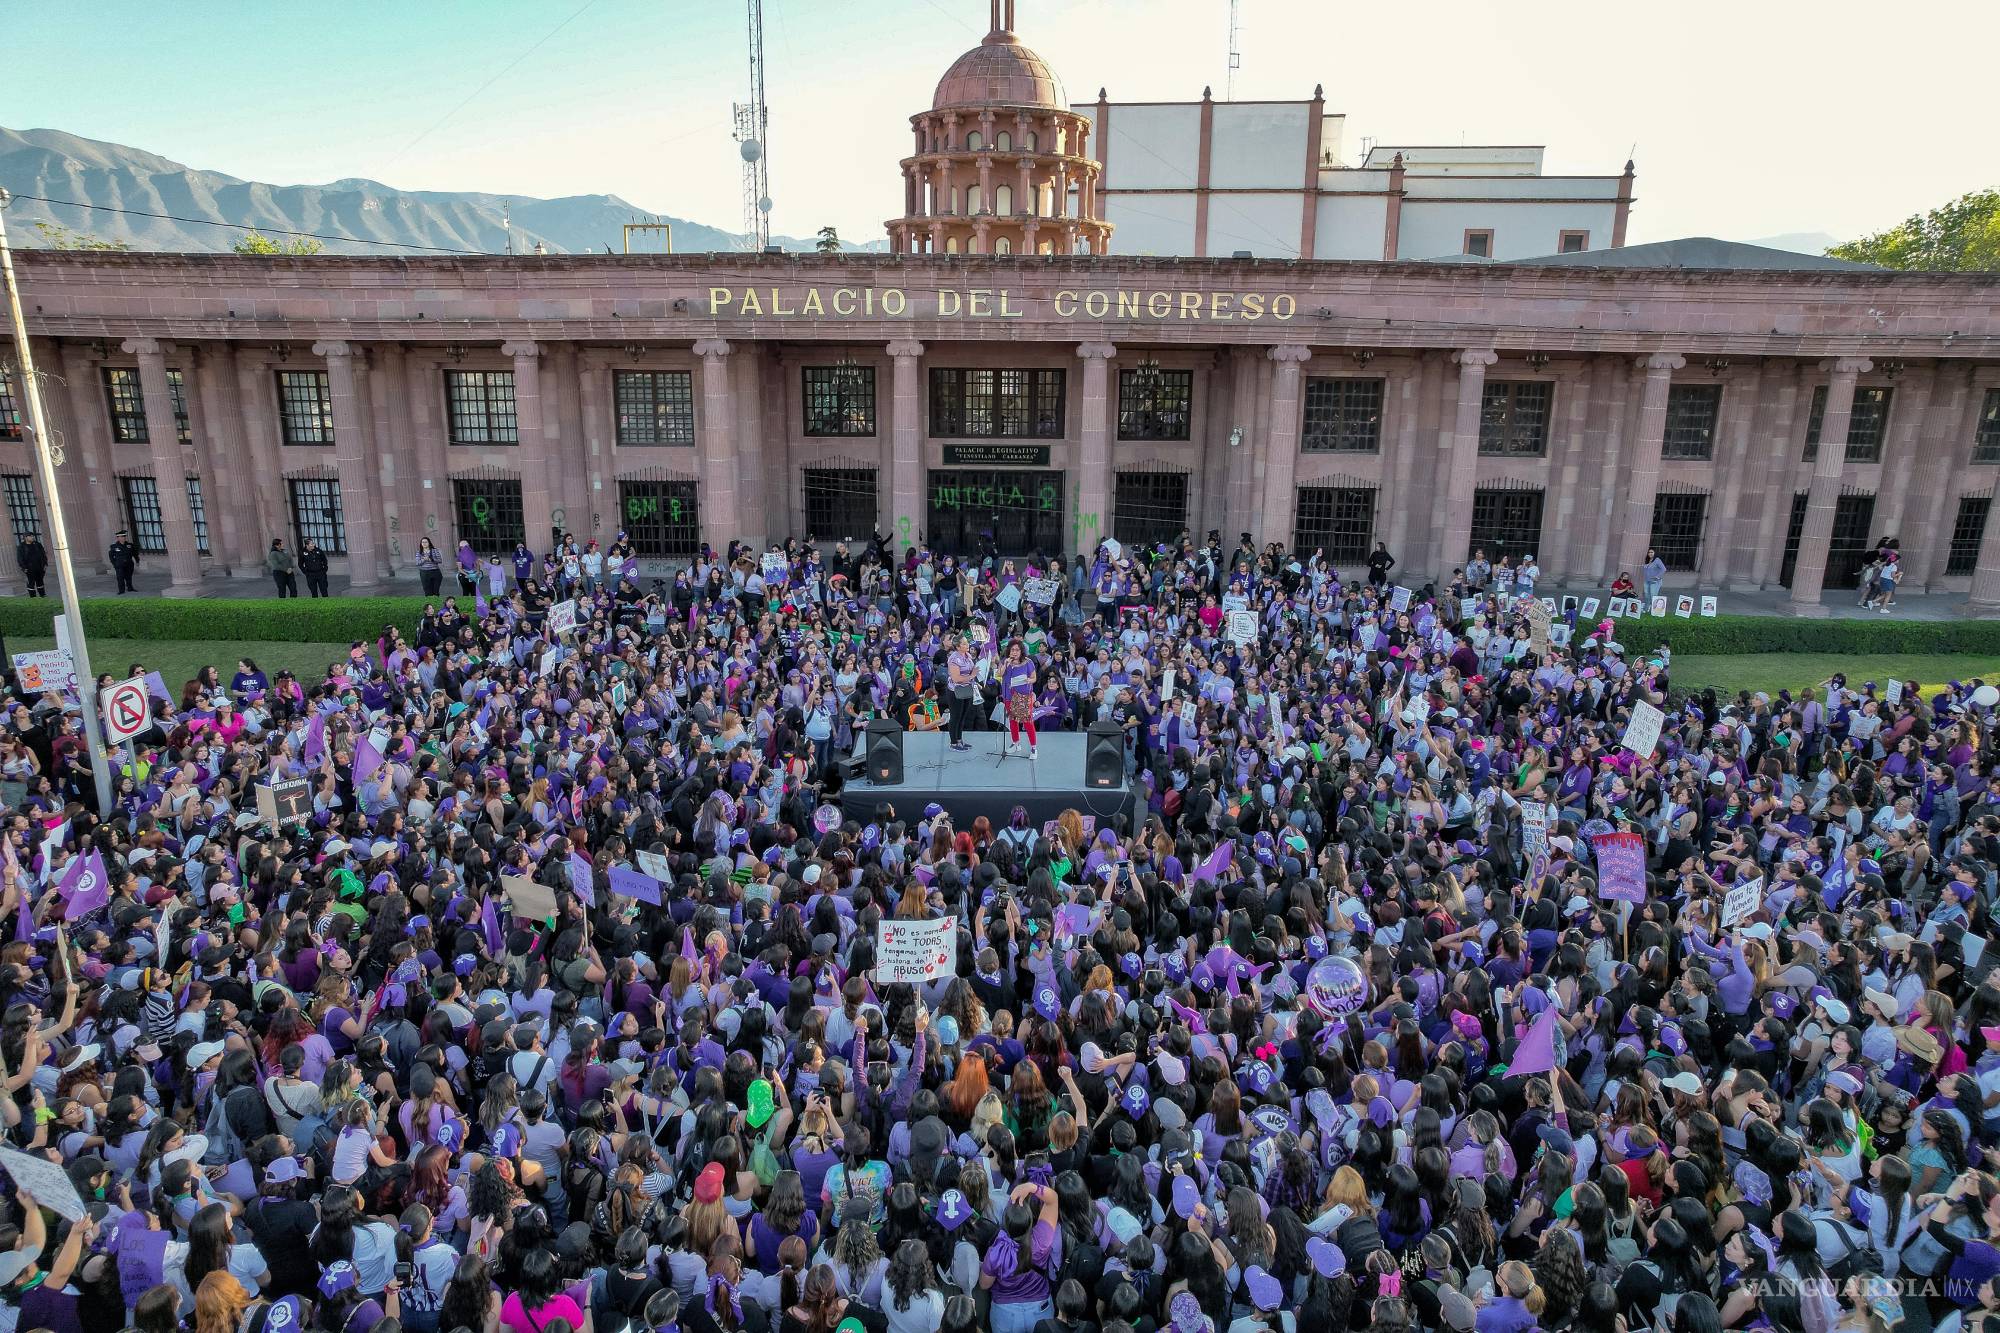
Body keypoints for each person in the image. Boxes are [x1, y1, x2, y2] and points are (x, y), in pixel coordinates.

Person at [15, 532, 46, 598]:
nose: (33, 537)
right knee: (31, 583)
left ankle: (42, 595)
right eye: (31, 536)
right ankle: (33, 598)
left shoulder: (37, 544)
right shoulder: (21, 547)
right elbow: (20, 558)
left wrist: (45, 564)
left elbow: (43, 554)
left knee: (40, 582)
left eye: (33, 536)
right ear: (26, 537)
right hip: (29, 568)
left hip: (39, 567)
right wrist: (24, 567)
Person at [108, 527, 138, 593]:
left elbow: (134, 553)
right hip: (119, 564)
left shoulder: (129, 545)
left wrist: (137, 560)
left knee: (129, 577)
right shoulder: (114, 546)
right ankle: (121, 590)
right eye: (121, 537)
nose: (123, 538)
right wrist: (114, 564)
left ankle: (130, 588)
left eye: (124, 536)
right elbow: (111, 556)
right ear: (118, 538)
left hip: (129, 564)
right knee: (120, 577)